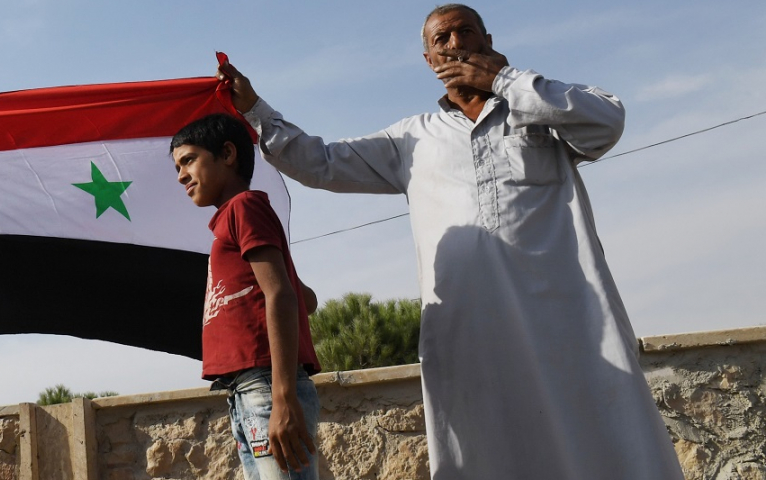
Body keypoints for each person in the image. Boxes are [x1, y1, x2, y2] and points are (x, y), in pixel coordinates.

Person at [216, 4, 683, 479]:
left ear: (489, 41)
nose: (455, 44)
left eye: (466, 32)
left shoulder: (538, 112)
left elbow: (607, 121)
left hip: (565, 322)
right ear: (428, 61)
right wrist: (255, 108)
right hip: (468, 331)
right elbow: (321, 162)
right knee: (484, 452)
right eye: (442, 39)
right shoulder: (413, 139)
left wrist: (504, 79)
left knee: (599, 441)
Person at [171, 114, 321, 480]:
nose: (181, 176)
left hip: (267, 386)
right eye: (177, 167)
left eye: (188, 160)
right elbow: (305, 299)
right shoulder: (230, 220)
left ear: (227, 153)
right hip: (244, 390)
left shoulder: (244, 207)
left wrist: (283, 397)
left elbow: (281, 294)